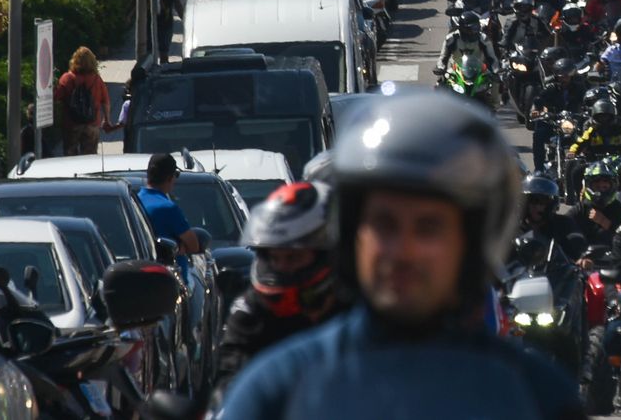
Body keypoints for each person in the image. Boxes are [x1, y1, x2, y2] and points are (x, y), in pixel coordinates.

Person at [216, 90, 586, 419]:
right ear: (350, 236)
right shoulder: (275, 388)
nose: (402, 251)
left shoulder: (538, 397)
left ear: (469, 243)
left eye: (428, 228)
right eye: (383, 224)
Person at [216, 182, 341, 387]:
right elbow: (230, 375)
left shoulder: (360, 307)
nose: (282, 267)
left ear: (326, 254)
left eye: (293, 257)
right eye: (275, 258)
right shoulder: (251, 309)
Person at [54, 46, 109, 156]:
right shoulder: (97, 80)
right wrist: (107, 120)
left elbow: (56, 96)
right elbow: (106, 101)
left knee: (70, 155)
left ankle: (72, 173)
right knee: (90, 156)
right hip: (92, 124)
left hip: (71, 123)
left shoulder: (67, 78)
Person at [516, 175, 585, 261]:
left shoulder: (564, 224)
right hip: (518, 274)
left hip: (556, 273)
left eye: (543, 202)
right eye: (532, 201)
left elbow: (579, 249)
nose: (537, 206)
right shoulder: (511, 228)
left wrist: (583, 260)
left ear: (551, 204)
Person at [435, 11, 499, 81]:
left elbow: (492, 58)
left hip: (479, 72)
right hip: (455, 71)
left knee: (496, 82)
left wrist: (496, 70)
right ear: (462, 28)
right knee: (440, 82)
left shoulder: (483, 39)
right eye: (471, 29)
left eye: (476, 28)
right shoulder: (451, 38)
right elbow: (443, 57)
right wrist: (440, 68)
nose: (474, 32)